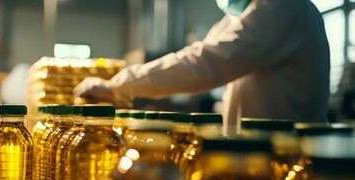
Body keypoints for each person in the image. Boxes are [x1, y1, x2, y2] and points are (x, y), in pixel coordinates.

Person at [73, 0, 330, 134]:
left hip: (288, 160)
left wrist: (119, 85)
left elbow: (204, 63)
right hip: (258, 155)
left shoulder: (284, 7)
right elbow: (198, 57)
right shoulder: (242, 16)